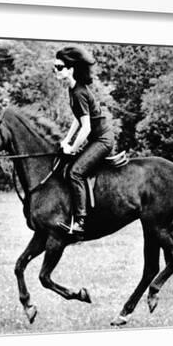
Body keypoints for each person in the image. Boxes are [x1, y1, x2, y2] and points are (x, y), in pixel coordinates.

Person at [53, 45, 115, 235]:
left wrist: (72, 148)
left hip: (102, 140)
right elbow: (77, 120)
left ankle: (80, 221)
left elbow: (86, 127)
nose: (56, 70)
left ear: (71, 70)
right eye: (54, 67)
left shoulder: (79, 92)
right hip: (96, 138)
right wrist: (67, 140)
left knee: (75, 173)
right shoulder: (72, 90)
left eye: (59, 67)